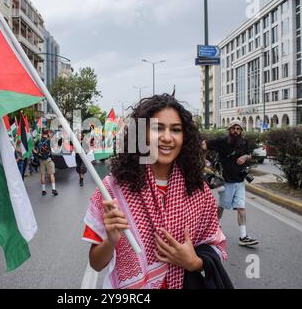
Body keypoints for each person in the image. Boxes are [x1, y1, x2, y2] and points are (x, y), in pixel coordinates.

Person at [82, 95, 227, 289]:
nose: (167, 137)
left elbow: (216, 247)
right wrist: (110, 240)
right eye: (158, 128)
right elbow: (96, 263)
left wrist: (193, 262)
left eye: (175, 130)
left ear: (185, 137)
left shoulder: (199, 191)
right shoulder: (112, 190)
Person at [202, 121, 259, 247]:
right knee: (222, 206)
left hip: (240, 181)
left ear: (241, 131)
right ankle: (215, 227)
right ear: (229, 129)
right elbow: (204, 145)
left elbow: (249, 154)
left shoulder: (244, 142)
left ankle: (243, 236)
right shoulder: (222, 141)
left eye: (238, 129)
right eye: (233, 128)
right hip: (226, 181)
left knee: (241, 208)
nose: (236, 131)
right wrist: (203, 160)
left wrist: (245, 157)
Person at [36, 129, 58, 196]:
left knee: (42, 175)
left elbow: (33, 149)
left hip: (41, 160)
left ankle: (43, 190)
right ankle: (53, 189)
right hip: (48, 159)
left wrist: (38, 154)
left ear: (42, 133)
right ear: (47, 133)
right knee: (51, 174)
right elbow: (54, 149)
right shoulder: (49, 140)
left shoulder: (38, 140)